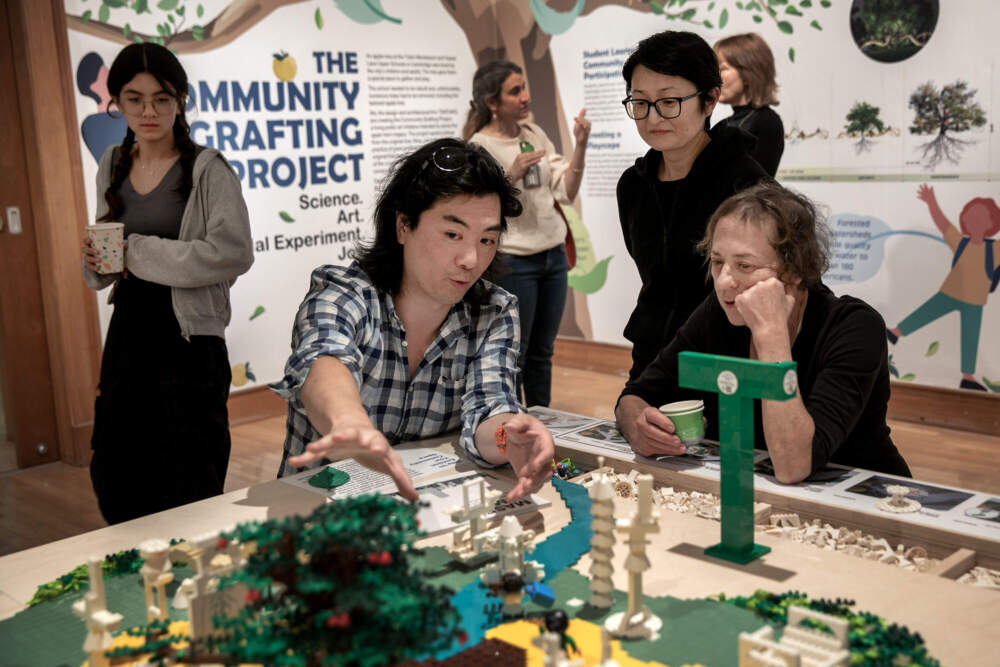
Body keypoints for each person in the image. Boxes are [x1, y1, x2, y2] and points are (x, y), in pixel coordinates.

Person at [270, 138, 555, 502]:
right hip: (323, 516)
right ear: (403, 225)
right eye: (453, 234)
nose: (471, 258)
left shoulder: (493, 312)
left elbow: (490, 406)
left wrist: (510, 436)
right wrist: (350, 423)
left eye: (487, 240)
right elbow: (324, 361)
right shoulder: (344, 294)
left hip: (428, 513)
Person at [616, 183, 911, 483]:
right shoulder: (718, 313)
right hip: (761, 492)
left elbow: (794, 464)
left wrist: (771, 335)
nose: (724, 282)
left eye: (744, 265)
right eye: (718, 262)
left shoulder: (853, 326)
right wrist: (639, 427)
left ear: (794, 271)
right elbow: (635, 396)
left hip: (866, 499)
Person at [81, 43, 254, 524]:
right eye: (134, 99)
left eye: (161, 98)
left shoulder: (206, 168)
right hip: (129, 333)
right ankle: (137, 579)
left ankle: (193, 580)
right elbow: (108, 247)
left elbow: (233, 252)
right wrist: (97, 259)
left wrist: (137, 251)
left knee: (189, 473)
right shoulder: (113, 162)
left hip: (188, 339)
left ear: (180, 100)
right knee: (115, 468)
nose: (148, 111)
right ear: (116, 102)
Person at [618, 30, 768, 383]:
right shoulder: (633, 185)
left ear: (710, 100)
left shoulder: (746, 185)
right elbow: (652, 278)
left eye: (668, 102)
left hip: (726, 368)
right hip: (652, 362)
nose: (653, 118)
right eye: (640, 102)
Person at [464, 60, 590, 407]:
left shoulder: (533, 133)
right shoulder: (479, 146)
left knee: (542, 352)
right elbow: (477, 209)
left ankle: (541, 420)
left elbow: (566, 189)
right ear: (492, 102)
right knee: (515, 353)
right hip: (513, 260)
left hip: (552, 255)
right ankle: (512, 424)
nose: (525, 97)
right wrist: (511, 175)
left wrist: (580, 145)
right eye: (515, 91)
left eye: (524, 88)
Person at [887, 185, 1000, 391]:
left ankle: (967, 376)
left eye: (981, 218)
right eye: (971, 216)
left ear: (992, 223)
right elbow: (943, 223)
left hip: (974, 301)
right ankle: (895, 332)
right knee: (924, 313)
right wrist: (931, 202)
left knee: (970, 337)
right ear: (965, 219)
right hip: (949, 293)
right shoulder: (961, 243)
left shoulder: (994, 249)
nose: (974, 221)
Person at [713, 33, 785, 177]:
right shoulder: (723, 125)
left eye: (722, 69)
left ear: (748, 73)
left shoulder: (767, 122)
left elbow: (757, 184)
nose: (714, 77)